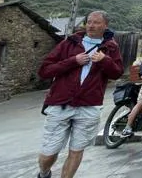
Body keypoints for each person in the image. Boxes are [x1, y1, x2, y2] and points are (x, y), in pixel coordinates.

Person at [36, 11, 123, 178]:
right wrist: (73, 61)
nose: (90, 25)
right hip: (60, 104)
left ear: (105, 25)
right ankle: (44, 173)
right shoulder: (70, 42)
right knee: (49, 152)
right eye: (88, 22)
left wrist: (105, 60)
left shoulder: (111, 47)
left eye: (96, 22)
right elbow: (45, 70)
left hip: (89, 106)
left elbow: (117, 73)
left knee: (76, 150)